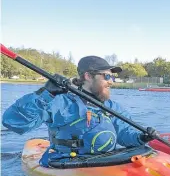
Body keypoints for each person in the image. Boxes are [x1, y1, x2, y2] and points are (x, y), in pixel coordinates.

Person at [2, 55, 157, 167]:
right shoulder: (60, 101)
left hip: (105, 161)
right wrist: (46, 93)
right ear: (88, 76)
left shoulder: (112, 107)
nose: (111, 81)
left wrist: (140, 137)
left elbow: (124, 134)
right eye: (107, 76)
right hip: (67, 163)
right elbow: (13, 122)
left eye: (112, 77)